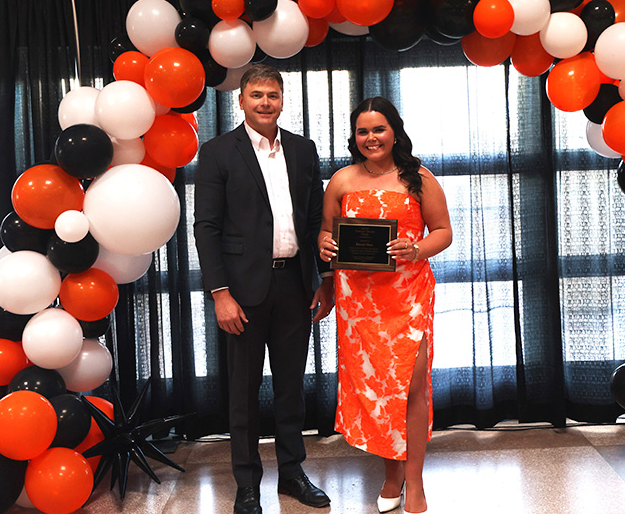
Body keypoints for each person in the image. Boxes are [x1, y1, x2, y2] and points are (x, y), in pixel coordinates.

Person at [193, 64, 334, 514]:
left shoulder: (303, 149)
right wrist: (220, 293)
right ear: (241, 100)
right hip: (241, 292)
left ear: (282, 99)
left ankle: (292, 474)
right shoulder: (217, 152)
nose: (265, 103)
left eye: (272, 95)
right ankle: (247, 484)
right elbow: (206, 227)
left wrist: (324, 280)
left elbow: (315, 221)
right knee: (245, 393)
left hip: (295, 284)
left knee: (291, 388)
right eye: (256, 95)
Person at [317, 96, 453, 514]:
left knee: (410, 388)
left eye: (379, 129)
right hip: (358, 301)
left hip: (408, 297)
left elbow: (444, 232)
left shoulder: (420, 179)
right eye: (363, 131)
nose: (371, 137)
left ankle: (414, 483)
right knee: (377, 390)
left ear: (394, 131)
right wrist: (324, 246)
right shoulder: (340, 180)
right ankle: (391, 474)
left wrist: (416, 249)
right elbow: (326, 233)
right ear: (354, 137)